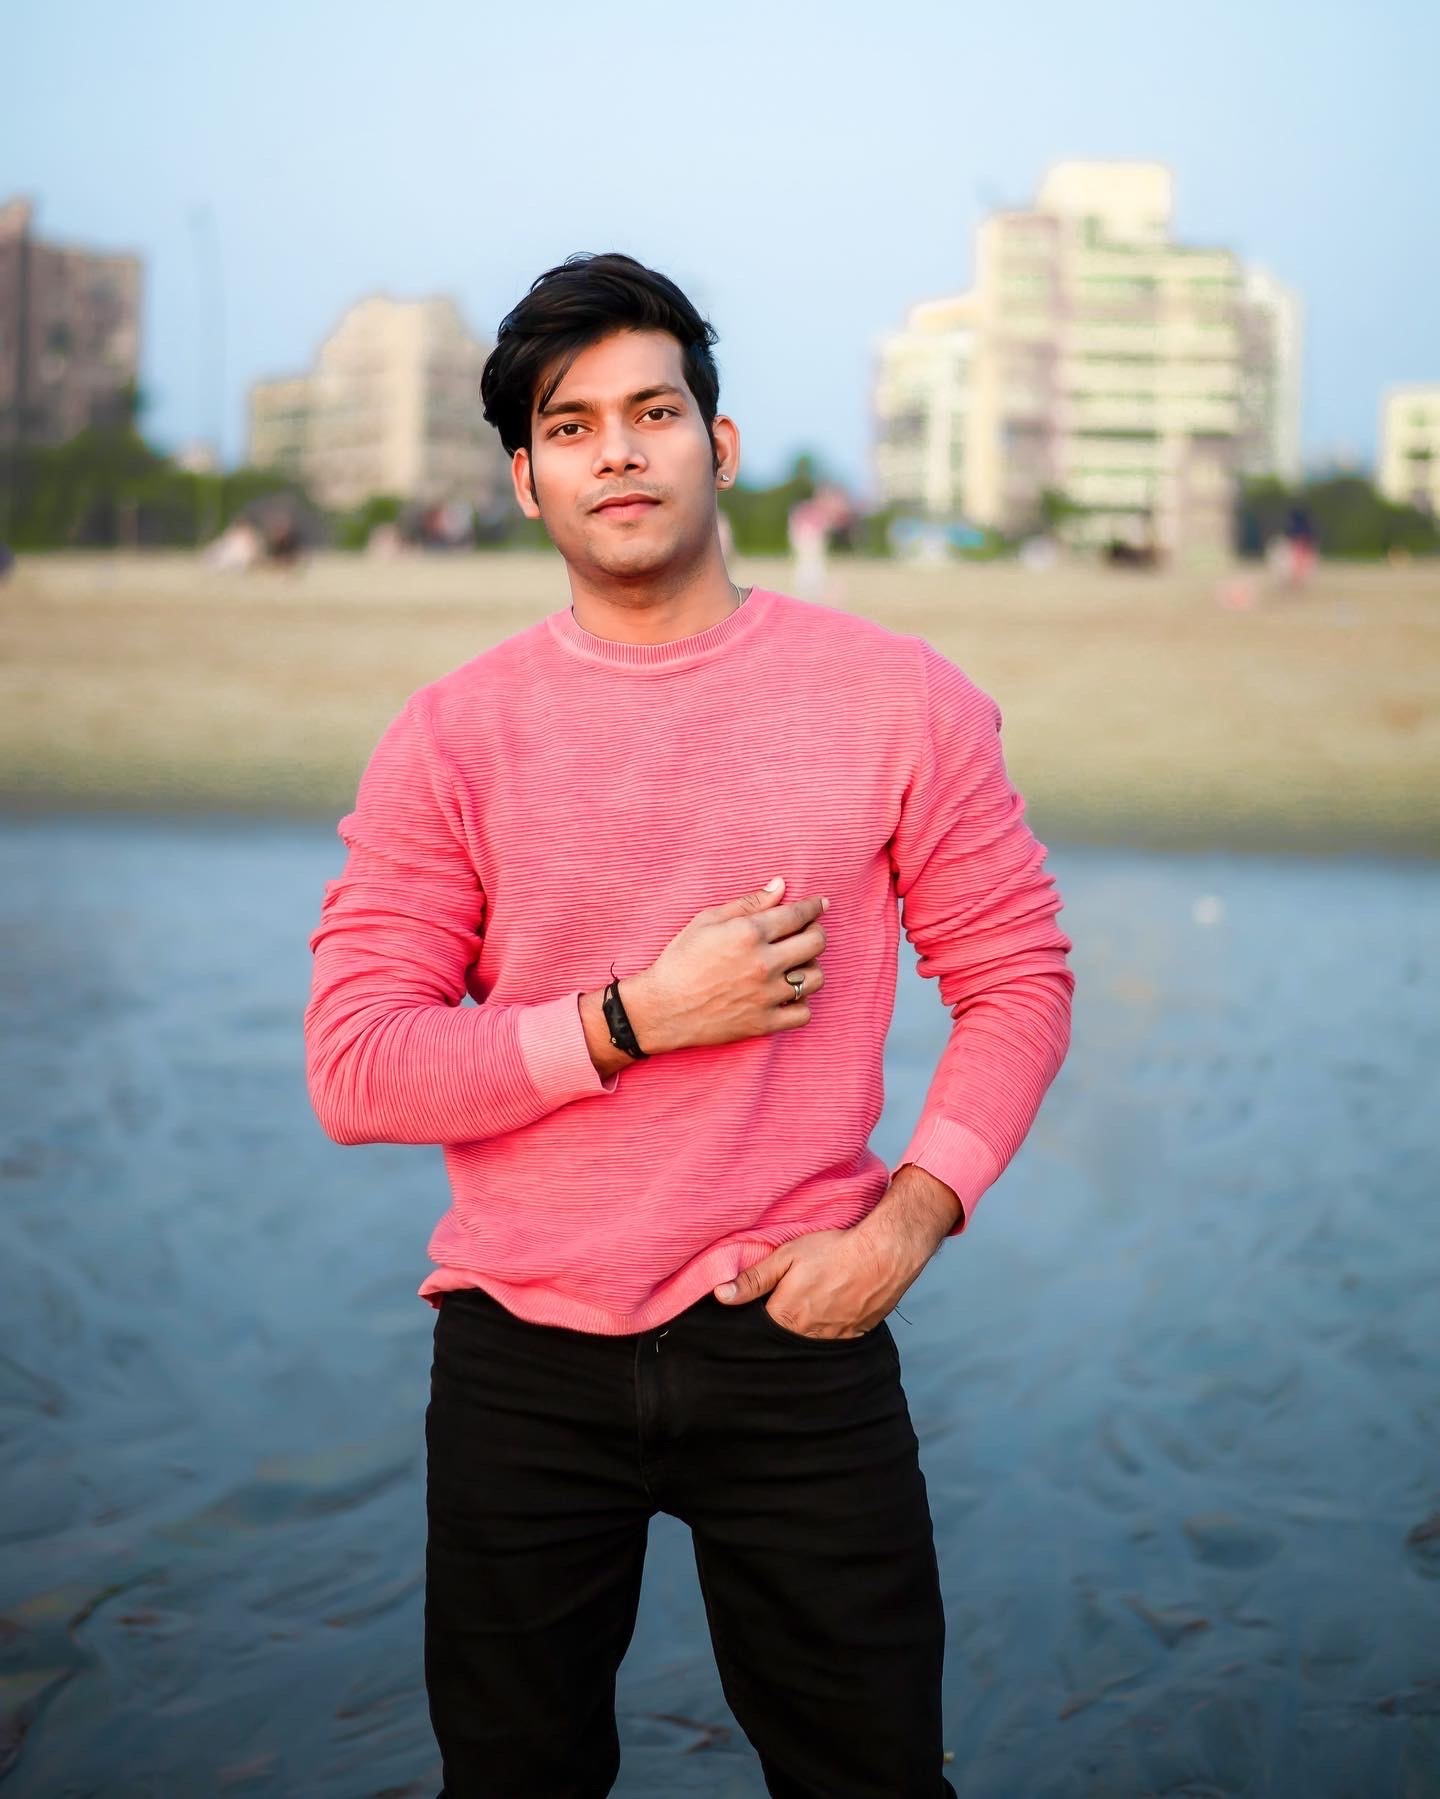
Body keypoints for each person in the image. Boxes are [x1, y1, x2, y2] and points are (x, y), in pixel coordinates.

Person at [303, 251, 1074, 1798]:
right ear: (526, 481)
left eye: (652, 412)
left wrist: (909, 1225)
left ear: (717, 445)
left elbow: (1016, 978)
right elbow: (358, 1067)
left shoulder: (897, 698)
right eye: (571, 427)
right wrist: (632, 1020)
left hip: (799, 1329)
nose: (618, 452)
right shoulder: (452, 736)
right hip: (522, 1356)